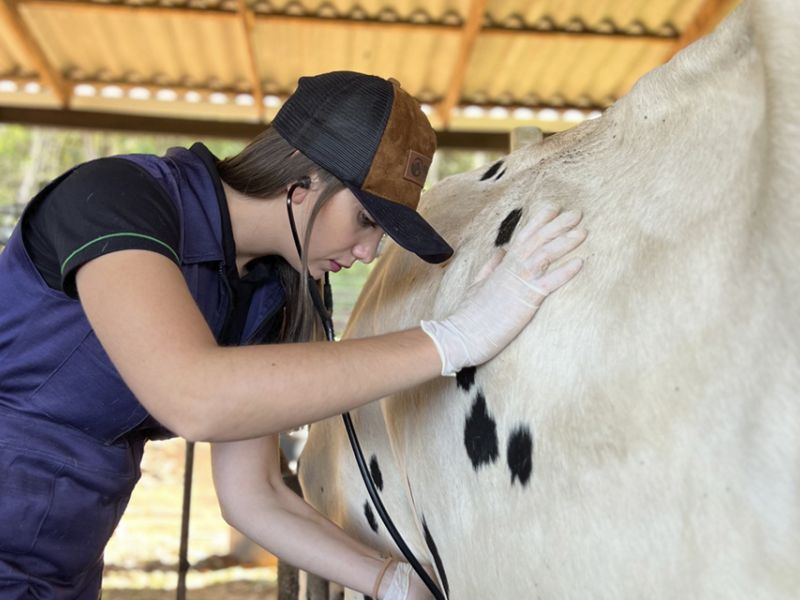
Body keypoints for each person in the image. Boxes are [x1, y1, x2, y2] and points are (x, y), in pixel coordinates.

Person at [0, 71, 587, 599]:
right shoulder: (118, 198)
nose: (368, 252)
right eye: (365, 220)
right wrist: (454, 338)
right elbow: (193, 397)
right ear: (301, 180)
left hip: (60, 566)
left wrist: (391, 582)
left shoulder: (267, 295)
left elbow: (254, 494)